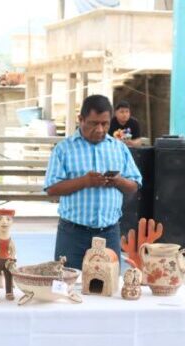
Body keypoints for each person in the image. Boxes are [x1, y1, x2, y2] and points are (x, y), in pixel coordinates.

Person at [45, 94, 142, 269]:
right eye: (93, 123)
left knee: (108, 289)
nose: (99, 129)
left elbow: (134, 185)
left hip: (109, 233)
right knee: (67, 286)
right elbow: (52, 188)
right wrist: (85, 181)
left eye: (105, 124)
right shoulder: (64, 149)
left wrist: (118, 181)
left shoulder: (119, 148)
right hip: (72, 234)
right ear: (81, 119)